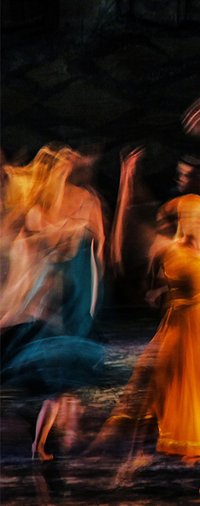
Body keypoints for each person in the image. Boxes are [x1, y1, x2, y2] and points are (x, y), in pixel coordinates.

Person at [108, 195, 200, 496]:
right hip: (179, 332)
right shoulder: (167, 249)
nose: (194, 220)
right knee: (157, 392)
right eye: (188, 215)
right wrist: (127, 188)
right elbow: (124, 260)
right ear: (181, 219)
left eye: (199, 215)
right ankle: (134, 459)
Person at [0, 145, 105, 461]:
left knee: (61, 384)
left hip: (70, 300)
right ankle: (43, 440)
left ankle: (43, 442)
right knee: (55, 379)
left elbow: (93, 247)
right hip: (50, 300)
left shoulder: (80, 205)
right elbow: (42, 240)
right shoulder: (37, 213)